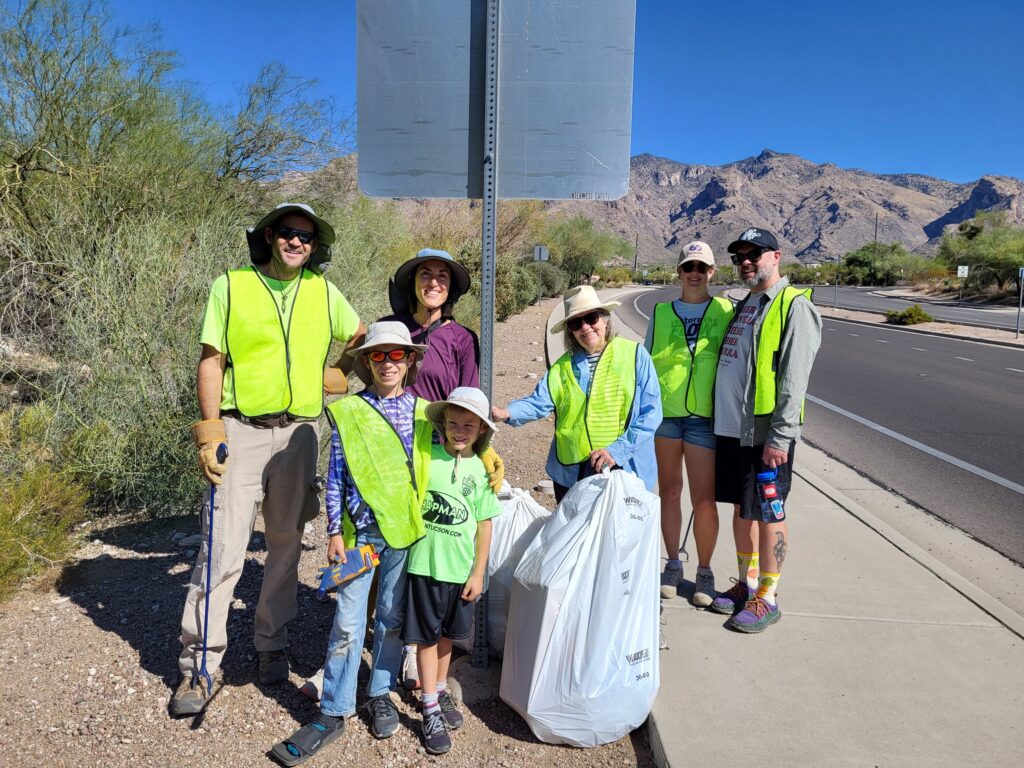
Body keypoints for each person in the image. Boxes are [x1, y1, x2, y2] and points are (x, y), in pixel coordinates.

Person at [171, 203, 364, 717]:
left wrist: (339, 372)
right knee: (222, 548)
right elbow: (211, 360)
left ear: (315, 247)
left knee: (285, 544)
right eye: (288, 232)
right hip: (241, 430)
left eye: (306, 236)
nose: (297, 242)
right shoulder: (231, 286)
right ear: (269, 236)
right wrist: (210, 431)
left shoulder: (323, 291)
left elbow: (360, 335)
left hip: (300, 433)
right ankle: (200, 664)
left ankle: (271, 643)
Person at [271, 322, 433, 766]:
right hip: (360, 535)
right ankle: (335, 707)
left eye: (396, 355)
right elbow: (336, 475)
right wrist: (334, 532)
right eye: (378, 355)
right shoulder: (349, 412)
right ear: (367, 362)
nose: (387, 364)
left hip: (406, 533)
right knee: (347, 622)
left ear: (410, 360)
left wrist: (486, 455)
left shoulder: (425, 414)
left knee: (391, 618)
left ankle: (380, 692)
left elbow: (446, 458)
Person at [709, 227, 821, 633]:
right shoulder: (746, 303)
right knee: (743, 509)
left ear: (776, 256)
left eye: (754, 254)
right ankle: (748, 583)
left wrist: (780, 437)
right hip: (734, 431)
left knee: (770, 512)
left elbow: (794, 380)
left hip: (766, 437)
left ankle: (768, 598)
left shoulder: (794, 306)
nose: (745, 262)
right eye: (739, 257)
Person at [492, 285, 662, 500]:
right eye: (576, 323)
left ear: (605, 320)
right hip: (572, 474)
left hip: (623, 468)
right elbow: (538, 402)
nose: (585, 327)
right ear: (570, 331)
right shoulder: (561, 367)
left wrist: (616, 450)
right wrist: (506, 413)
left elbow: (651, 412)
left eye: (591, 318)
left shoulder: (635, 355)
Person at [404, 387, 501, 755]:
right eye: (453, 423)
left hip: (460, 572)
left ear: (481, 430)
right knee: (427, 639)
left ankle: (440, 688)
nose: (460, 431)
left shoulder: (481, 471)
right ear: (442, 423)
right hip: (424, 566)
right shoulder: (425, 458)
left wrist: (478, 573)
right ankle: (429, 706)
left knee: (447, 637)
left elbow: (485, 524)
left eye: (469, 426)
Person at [645, 241, 734, 606]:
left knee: (704, 499)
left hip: (704, 420)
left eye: (702, 267)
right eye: (688, 267)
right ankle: (672, 564)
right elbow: (646, 363)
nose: (694, 273)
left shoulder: (726, 310)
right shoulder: (661, 312)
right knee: (669, 492)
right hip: (666, 418)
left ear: (712, 272)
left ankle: (705, 571)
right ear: (679, 271)